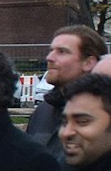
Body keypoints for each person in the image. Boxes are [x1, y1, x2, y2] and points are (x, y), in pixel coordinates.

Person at [27, 24, 104, 159]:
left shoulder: (106, 113)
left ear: (88, 63)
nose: (49, 58)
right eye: (51, 50)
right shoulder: (43, 111)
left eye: (62, 51)